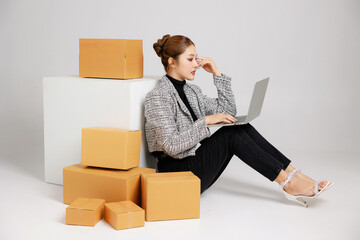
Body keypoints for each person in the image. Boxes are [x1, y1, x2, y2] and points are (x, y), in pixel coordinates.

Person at [144, 34, 333, 207]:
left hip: (194, 167)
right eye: (190, 59)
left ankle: (293, 174)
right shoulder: (159, 96)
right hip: (177, 174)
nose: (196, 64)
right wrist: (206, 121)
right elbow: (169, 145)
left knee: (240, 126)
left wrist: (217, 74)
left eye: (196, 58)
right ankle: (287, 183)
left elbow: (228, 111)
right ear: (172, 61)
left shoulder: (192, 91)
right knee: (230, 135)